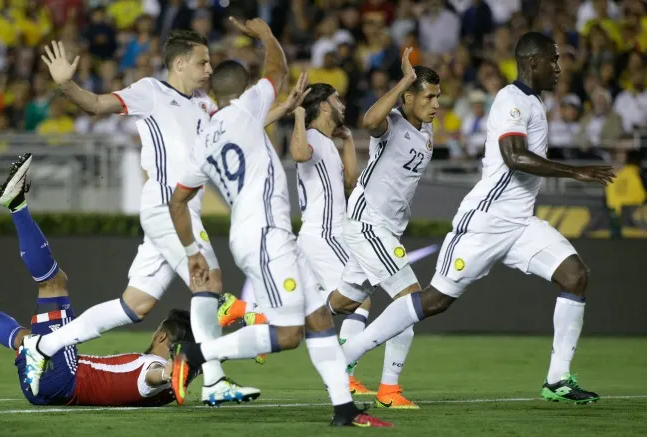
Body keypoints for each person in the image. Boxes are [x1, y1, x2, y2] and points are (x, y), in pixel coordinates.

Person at [338, 32, 615, 405]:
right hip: (486, 219)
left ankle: (557, 379)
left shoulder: (527, 104)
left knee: (575, 276)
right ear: (533, 61)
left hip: (520, 222)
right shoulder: (510, 100)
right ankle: (345, 357)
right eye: (553, 60)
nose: (558, 68)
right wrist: (574, 171)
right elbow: (514, 156)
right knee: (432, 301)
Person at [167, 17, 391, 428]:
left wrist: (191, 252)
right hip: (266, 235)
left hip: (258, 233)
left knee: (318, 319)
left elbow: (178, 200)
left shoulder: (206, 137)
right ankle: (197, 354)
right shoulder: (244, 111)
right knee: (288, 335)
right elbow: (278, 70)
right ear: (242, 91)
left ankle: (344, 410)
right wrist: (267, 34)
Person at [17, 31, 260, 405]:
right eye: (202, 61)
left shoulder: (205, 105)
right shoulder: (151, 92)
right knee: (208, 284)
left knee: (134, 306)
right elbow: (97, 105)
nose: (209, 69)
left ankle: (43, 345)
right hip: (165, 206)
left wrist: (282, 107)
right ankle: (214, 380)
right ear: (179, 63)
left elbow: (241, 125)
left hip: (182, 210)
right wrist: (66, 84)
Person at [0, 155, 194, 406]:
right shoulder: (172, 392)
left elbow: (152, 378)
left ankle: (16, 204)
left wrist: (168, 372)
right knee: (30, 341)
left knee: (54, 283)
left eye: (159, 327)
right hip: (44, 389)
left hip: (62, 379)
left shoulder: (157, 368)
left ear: (162, 337)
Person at [309, 48, 438, 410]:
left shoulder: (427, 133)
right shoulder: (392, 122)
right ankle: (387, 387)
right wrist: (404, 82)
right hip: (369, 224)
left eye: (438, 97)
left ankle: (264, 320)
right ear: (409, 97)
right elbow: (368, 121)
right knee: (411, 300)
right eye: (428, 96)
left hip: (385, 229)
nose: (435, 104)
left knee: (344, 301)